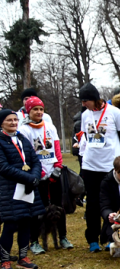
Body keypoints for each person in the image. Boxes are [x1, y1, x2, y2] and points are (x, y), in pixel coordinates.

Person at [18, 96, 73, 254]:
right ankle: (34, 240)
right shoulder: (24, 130)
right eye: (35, 109)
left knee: (59, 207)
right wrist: (39, 172)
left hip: (54, 173)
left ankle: (62, 236)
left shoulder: (50, 127)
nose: (39, 112)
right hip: (37, 174)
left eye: (41, 109)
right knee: (37, 209)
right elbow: (27, 154)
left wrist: (57, 167)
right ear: (29, 111)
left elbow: (56, 148)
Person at [79, 82, 120, 253]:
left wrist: (114, 156)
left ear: (94, 98)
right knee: (92, 204)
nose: (83, 104)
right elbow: (87, 137)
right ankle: (92, 239)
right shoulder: (85, 115)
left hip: (109, 166)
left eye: (85, 100)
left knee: (112, 203)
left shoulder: (115, 113)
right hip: (90, 166)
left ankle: (109, 237)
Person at [0, 109, 44, 269]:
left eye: (15, 120)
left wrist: (34, 177)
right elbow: (3, 167)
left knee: (26, 220)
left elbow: (34, 160)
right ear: (2, 123)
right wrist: (28, 178)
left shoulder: (22, 139)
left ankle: (23, 257)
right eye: (9, 120)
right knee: (11, 224)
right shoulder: (0, 141)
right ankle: (4, 260)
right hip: (9, 189)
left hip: (27, 188)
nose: (13, 123)